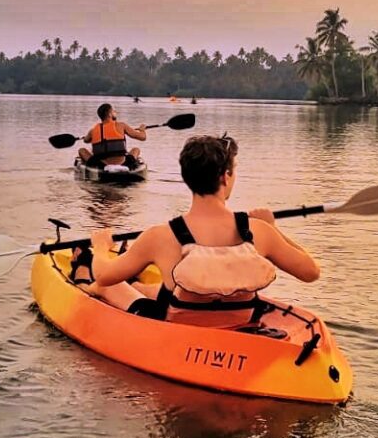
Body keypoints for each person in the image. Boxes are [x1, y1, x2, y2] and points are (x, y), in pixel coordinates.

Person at [80, 135, 319, 325]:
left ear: (187, 178)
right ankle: (139, 287)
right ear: (225, 177)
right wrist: (273, 229)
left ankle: (91, 284)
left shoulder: (159, 236)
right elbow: (311, 272)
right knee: (164, 289)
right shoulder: (260, 232)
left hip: (176, 329)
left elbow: (105, 276)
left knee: (106, 286)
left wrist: (100, 247)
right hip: (239, 325)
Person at [77, 103, 147, 169]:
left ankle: (91, 168)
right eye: (113, 111)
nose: (115, 112)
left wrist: (90, 137)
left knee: (82, 150)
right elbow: (143, 137)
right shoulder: (121, 125)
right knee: (136, 150)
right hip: (123, 163)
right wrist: (142, 130)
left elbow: (86, 140)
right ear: (110, 114)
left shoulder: (92, 130)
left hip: (100, 164)